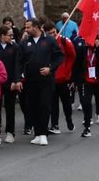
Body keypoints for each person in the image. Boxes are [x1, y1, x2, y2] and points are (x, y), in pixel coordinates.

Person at [14, 17, 63, 146]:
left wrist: (50, 68)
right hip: (31, 80)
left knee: (45, 105)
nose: (26, 29)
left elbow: (59, 56)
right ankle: (37, 133)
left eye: (28, 27)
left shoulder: (49, 40)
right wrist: (18, 79)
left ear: (36, 27)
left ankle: (43, 133)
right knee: (32, 106)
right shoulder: (24, 43)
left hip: (46, 80)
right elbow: (19, 62)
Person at [74, 30, 99, 137]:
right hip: (87, 80)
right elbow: (77, 64)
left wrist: (98, 48)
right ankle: (87, 127)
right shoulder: (83, 49)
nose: (87, 42)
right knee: (86, 103)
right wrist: (75, 80)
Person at [45, 21, 76, 133]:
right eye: (50, 33)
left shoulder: (64, 41)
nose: (53, 35)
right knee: (53, 103)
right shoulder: (45, 43)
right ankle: (55, 125)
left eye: (54, 32)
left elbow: (72, 56)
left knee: (66, 102)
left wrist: (67, 72)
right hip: (51, 77)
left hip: (63, 78)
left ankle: (69, 119)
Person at [0, 26, 21, 143]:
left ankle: (10, 132)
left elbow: (17, 65)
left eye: (12, 35)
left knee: (10, 108)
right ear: (2, 36)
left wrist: (15, 81)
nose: (12, 37)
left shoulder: (15, 47)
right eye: (9, 35)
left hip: (10, 82)